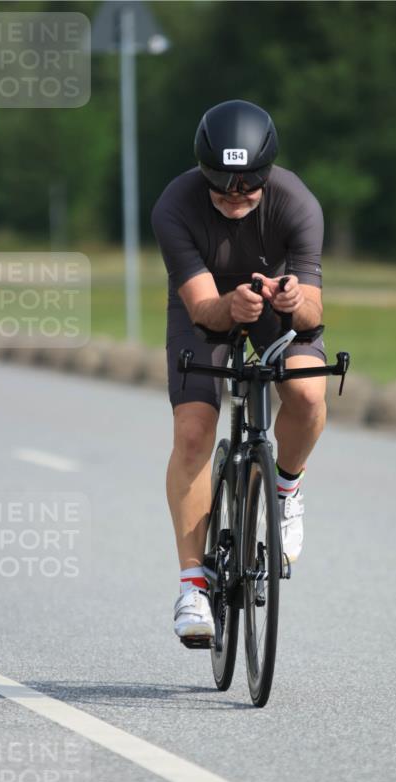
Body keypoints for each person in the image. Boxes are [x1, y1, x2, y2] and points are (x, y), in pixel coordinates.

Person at [151, 99, 326, 643]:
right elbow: (204, 309)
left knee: (307, 392)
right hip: (202, 311)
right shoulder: (173, 207)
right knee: (193, 431)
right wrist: (232, 307)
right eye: (223, 186)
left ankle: (285, 489)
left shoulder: (297, 202)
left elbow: (316, 313)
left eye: (248, 187)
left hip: (275, 304)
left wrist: (292, 299)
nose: (236, 197)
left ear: (266, 176)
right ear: (203, 172)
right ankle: (192, 588)